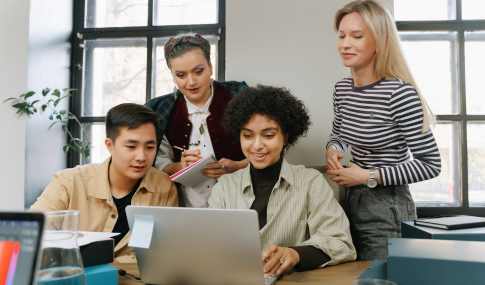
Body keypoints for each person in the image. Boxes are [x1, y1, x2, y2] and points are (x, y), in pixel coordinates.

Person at [326, 0, 442, 261]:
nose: (345, 44)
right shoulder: (342, 89)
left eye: (357, 36)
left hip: (388, 204)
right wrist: (334, 148)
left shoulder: (399, 94)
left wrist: (368, 176)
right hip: (351, 198)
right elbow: (340, 135)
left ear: (380, 41)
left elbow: (431, 165)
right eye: (341, 35)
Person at [209, 85, 356, 278]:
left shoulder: (310, 182)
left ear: (285, 137)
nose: (257, 145)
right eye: (247, 135)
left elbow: (342, 243)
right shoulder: (225, 187)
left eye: (268, 135)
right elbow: (210, 246)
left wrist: (294, 254)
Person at [29, 103, 178, 263]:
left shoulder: (163, 186)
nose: (141, 156)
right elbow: (30, 234)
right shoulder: (69, 183)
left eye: (149, 147)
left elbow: (167, 250)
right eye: (131, 146)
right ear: (110, 145)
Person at [145, 32, 248, 208]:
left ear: (210, 66)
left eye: (198, 72)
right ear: (172, 75)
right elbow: (159, 162)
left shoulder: (239, 96)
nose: (191, 82)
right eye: (181, 75)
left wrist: (238, 167)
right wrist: (179, 166)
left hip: (240, 202)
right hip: (184, 206)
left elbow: (267, 148)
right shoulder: (160, 110)